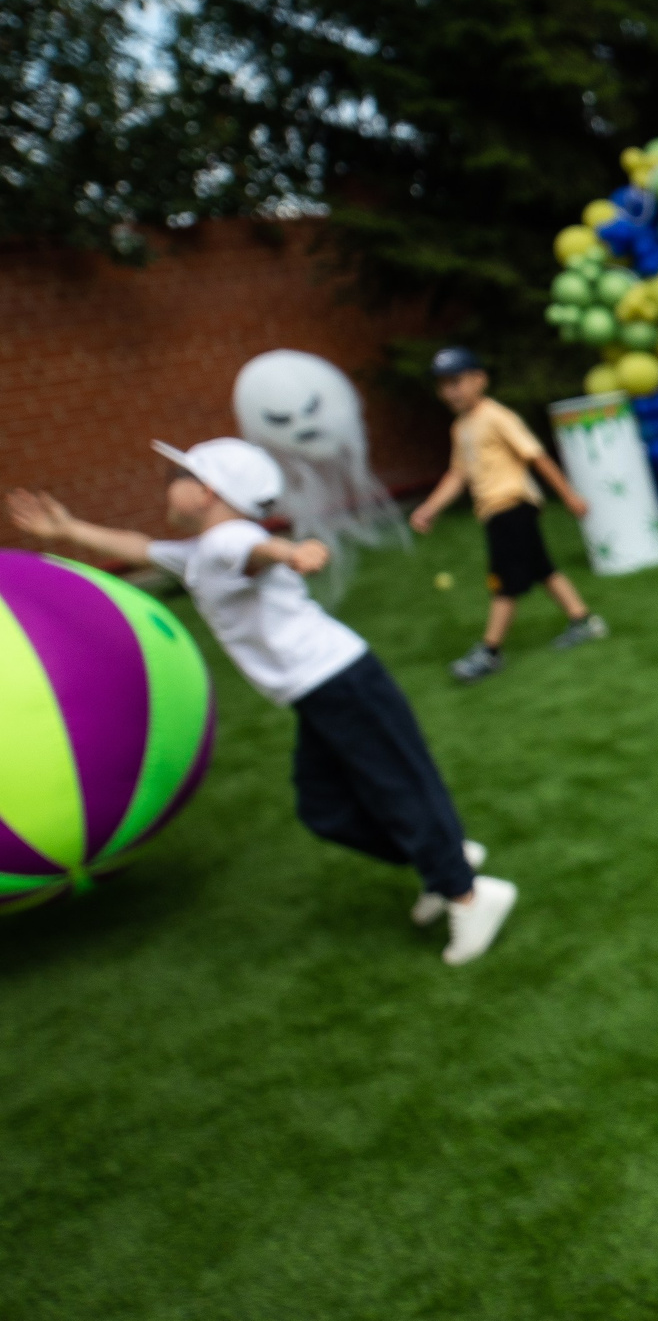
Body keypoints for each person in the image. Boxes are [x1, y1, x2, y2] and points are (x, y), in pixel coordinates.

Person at [7, 440, 518, 964]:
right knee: (325, 807)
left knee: (396, 787)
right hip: (321, 691)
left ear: (207, 491)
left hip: (340, 683)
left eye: (174, 477)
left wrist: (290, 553)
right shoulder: (201, 553)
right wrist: (68, 531)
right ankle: (444, 861)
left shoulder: (229, 540)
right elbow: (141, 548)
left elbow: (251, 550)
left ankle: (469, 895)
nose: (165, 485)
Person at [407, 346, 608, 682]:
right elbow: (458, 474)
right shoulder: (461, 427)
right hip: (495, 511)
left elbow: (536, 456)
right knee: (542, 568)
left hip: (511, 507)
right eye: (443, 385)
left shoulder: (497, 417)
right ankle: (584, 620)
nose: (450, 391)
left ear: (480, 379)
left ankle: (490, 651)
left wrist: (569, 496)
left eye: (456, 381)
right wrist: (430, 508)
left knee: (504, 582)